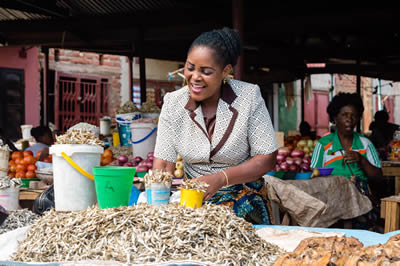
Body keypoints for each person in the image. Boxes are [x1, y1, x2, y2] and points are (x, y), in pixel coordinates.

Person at [153, 27, 278, 224]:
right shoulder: (173, 103)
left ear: (225, 71)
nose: (195, 77)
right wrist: (156, 209)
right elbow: (164, 164)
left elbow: (266, 158)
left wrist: (220, 179)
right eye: (190, 67)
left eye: (206, 71)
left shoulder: (249, 97)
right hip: (194, 206)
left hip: (245, 204)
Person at [310, 92, 383, 229]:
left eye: (353, 115)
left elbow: (378, 177)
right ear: (334, 118)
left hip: (361, 202)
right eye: (344, 115)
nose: (349, 119)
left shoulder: (365, 144)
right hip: (330, 200)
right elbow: (313, 175)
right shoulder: (323, 145)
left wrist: (361, 160)